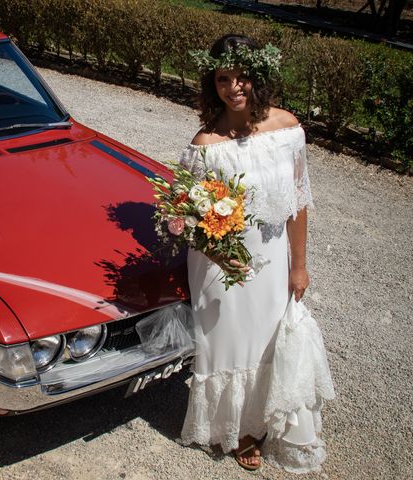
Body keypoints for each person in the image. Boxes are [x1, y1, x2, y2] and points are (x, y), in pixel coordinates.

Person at [177, 34, 335, 472]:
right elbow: (187, 216)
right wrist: (219, 255)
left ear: (258, 75)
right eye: (223, 78)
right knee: (231, 342)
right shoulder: (206, 143)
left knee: (272, 339)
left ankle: (273, 418)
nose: (234, 87)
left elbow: (299, 201)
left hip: (272, 259)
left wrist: (299, 266)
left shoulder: (287, 129)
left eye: (242, 76)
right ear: (213, 83)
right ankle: (241, 429)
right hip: (223, 266)